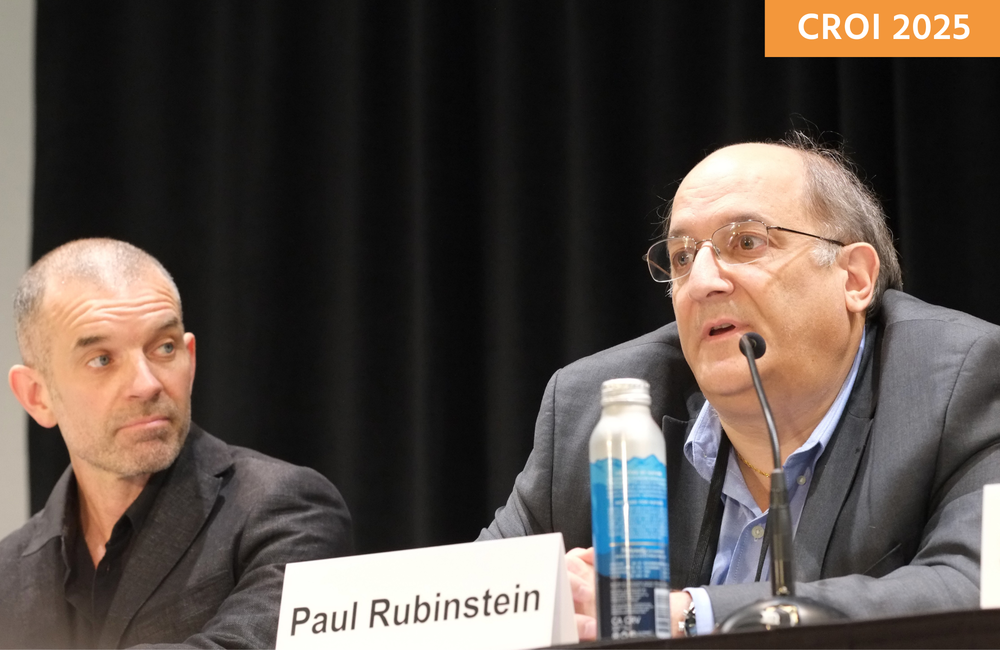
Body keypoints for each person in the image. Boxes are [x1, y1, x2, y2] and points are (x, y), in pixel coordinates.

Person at [479, 135, 1000, 638]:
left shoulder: (961, 380)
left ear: (855, 277)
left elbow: (973, 587)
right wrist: (546, 598)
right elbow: (466, 603)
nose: (703, 281)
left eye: (746, 243)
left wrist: (684, 614)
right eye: (682, 257)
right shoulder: (601, 407)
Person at [0, 239, 353, 648]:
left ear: (190, 359)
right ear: (37, 396)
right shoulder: (8, 573)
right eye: (102, 359)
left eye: (164, 348)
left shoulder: (288, 510)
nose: (147, 384)